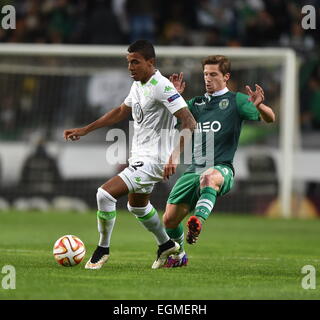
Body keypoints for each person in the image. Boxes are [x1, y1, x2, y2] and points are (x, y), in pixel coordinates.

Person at [63, 40, 196, 269]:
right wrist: (85, 129)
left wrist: (174, 157)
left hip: (153, 161)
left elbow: (189, 121)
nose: (130, 67)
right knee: (137, 206)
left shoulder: (161, 85)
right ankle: (166, 245)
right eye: (128, 62)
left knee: (104, 195)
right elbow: (119, 112)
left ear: (150, 62)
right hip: (140, 157)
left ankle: (102, 250)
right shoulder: (139, 85)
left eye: (135, 62)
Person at [162, 55, 276, 267]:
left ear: (226, 76)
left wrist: (260, 106)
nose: (208, 79)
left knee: (209, 176)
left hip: (222, 169)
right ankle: (179, 255)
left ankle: (198, 221)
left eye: (213, 74)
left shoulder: (237, 101)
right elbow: (174, 121)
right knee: (168, 220)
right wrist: (174, 97)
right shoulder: (196, 104)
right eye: (205, 74)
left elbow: (271, 118)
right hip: (193, 170)